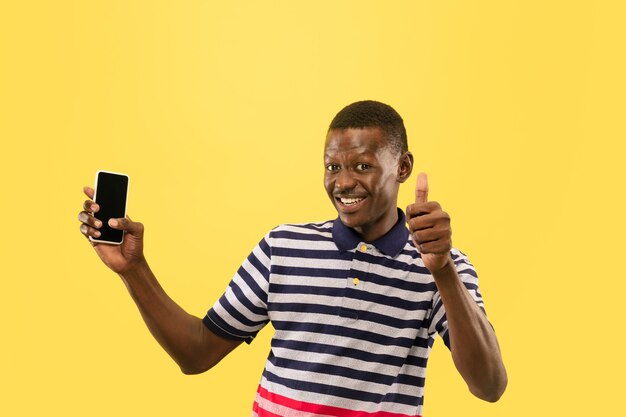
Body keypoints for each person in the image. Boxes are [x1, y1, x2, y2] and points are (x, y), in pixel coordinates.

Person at [78, 100, 507, 417]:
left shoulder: (443, 265)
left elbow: (489, 386)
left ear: (403, 166)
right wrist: (134, 270)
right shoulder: (282, 247)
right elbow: (197, 353)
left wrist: (443, 271)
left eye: (362, 166)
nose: (343, 183)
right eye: (332, 167)